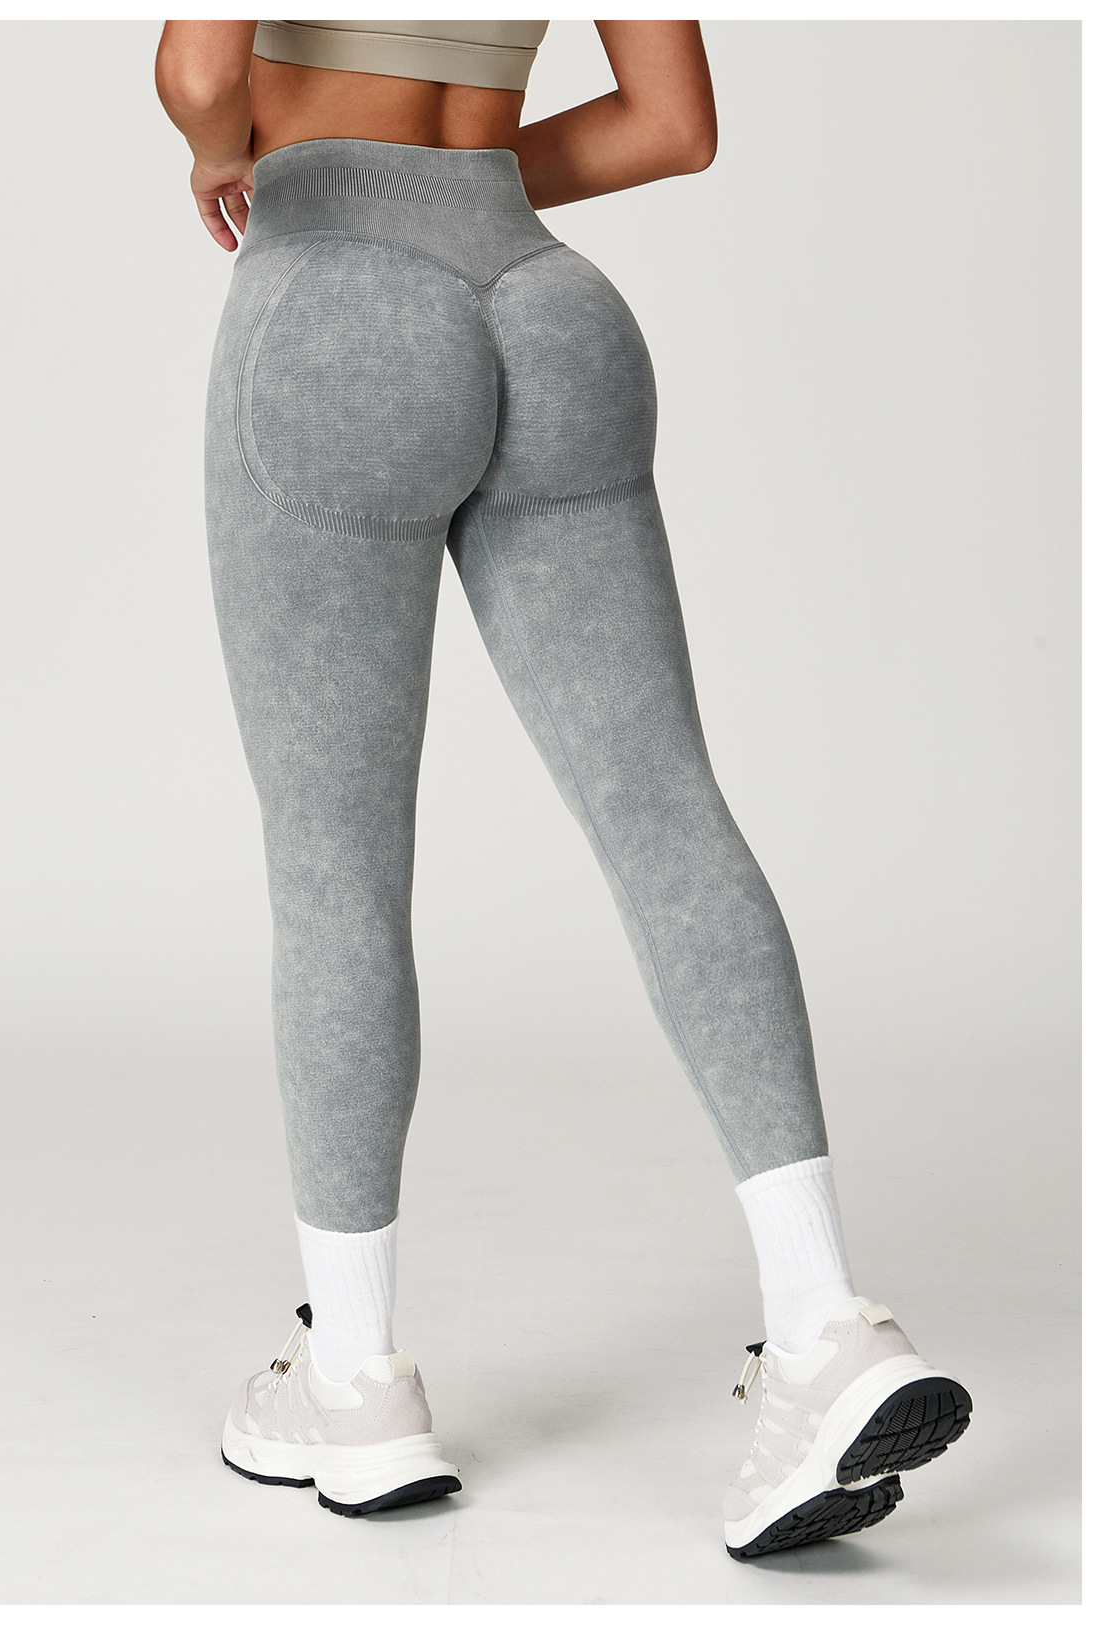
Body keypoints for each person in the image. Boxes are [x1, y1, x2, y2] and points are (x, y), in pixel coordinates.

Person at [155, 18, 971, 1557]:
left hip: (333, 302)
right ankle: (824, 1324)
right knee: (669, 810)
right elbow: (672, 123)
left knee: (335, 863)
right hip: (546, 301)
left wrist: (226, 157)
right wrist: (459, 187)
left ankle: (355, 1381)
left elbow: (202, 70)